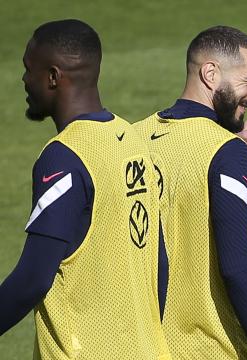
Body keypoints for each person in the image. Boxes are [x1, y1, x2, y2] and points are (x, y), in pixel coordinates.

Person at [0, 19, 170, 359]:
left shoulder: (63, 157)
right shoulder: (133, 140)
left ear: (52, 77)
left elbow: (34, 277)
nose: (23, 80)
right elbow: (158, 261)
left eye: (27, 69)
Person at [133, 25, 247, 359]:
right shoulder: (226, 152)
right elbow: (238, 267)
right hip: (207, 348)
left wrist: (229, 150)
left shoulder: (133, 137)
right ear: (211, 73)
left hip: (142, 346)